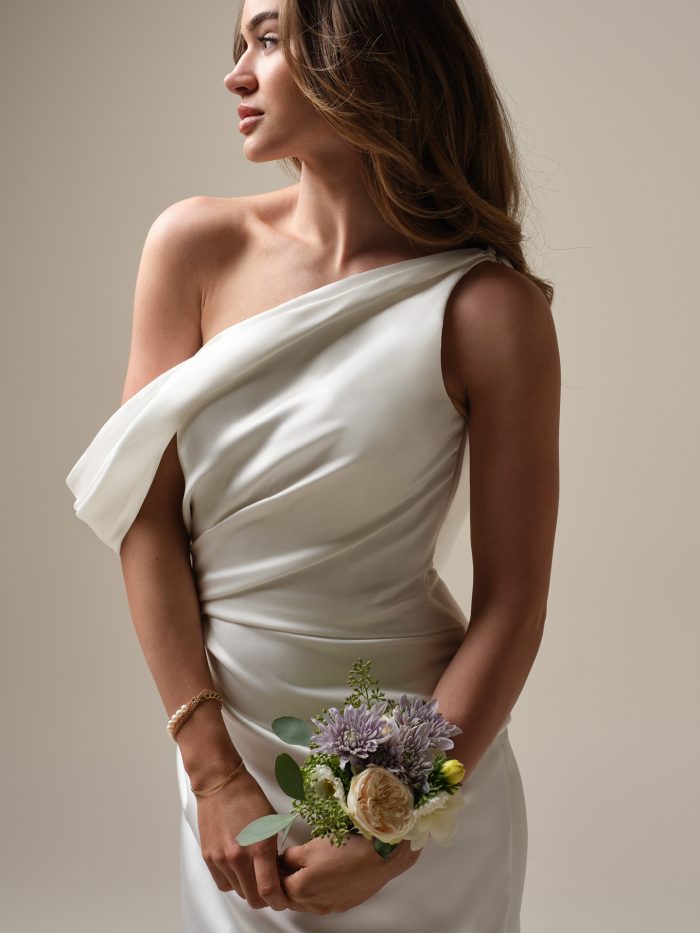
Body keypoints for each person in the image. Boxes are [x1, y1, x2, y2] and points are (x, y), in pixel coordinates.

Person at [65, 0, 560, 929]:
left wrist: (396, 826)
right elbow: (145, 518)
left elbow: (513, 606)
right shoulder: (194, 248)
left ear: (363, 53)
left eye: (267, 40)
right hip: (231, 772)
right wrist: (212, 772)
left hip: (420, 774)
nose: (236, 74)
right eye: (239, 44)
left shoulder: (488, 308)